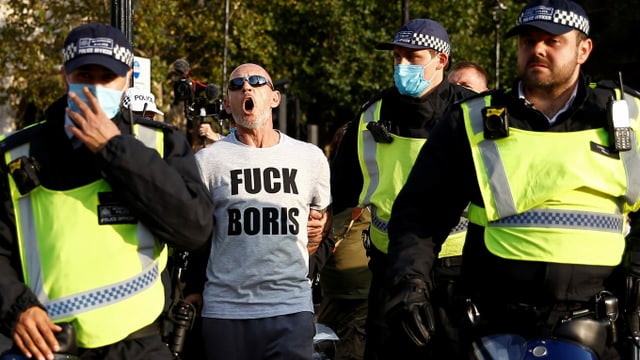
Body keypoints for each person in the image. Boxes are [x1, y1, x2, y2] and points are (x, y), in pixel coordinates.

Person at [385, 1, 640, 359]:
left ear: (584, 49)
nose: (537, 49)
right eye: (528, 40)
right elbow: (419, 214)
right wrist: (410, 287)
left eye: (553, 41)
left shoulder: (627, 120)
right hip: (495, 332)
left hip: (600, 331)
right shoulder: (471, 121)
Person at [0, 23, 214, 360]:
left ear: (127, 79)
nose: (95, 87)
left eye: (107, 77)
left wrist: (113, 149)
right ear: (65, 77)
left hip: (140, 346)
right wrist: (17, 308)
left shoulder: (160, 143)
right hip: (49, 347)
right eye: (85, 75)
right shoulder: (16, 154)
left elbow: (194, 229)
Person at [330, 18, 475, 360]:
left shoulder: (471, 113)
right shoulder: (372, 115)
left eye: (413, 58)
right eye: (397, 57)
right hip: (389, 268)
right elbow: (339, 190)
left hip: (456, 271)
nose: (401, 66)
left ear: (441, 60)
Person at [194, 63, 331, 360]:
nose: (246, 87)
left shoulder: (310, 158)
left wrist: (317, 231)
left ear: (274, 97)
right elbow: (195, 233)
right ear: (228, 105)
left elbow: (321, 217)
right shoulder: (207, 161)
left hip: (291, 308)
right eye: (236, 85)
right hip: (226, 310)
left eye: (257, 81)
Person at [315, 124, 372, 360]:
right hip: (347, 291)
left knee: (330, 349)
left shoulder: (329, 184)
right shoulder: (369, 180)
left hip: (348, 292)